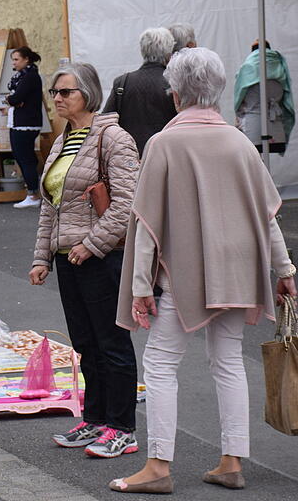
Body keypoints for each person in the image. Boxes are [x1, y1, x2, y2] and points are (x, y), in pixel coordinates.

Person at [110, 47, 298, 494]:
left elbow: (146, 223)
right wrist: (285, 269)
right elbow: (266, 215)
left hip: (182, 272)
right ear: (219, 89)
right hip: (239, 269)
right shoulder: (239, 142)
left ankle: (158, 466)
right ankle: (232, 461)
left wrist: (141, 286)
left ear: (175, 93)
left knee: (160, 363)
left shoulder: (164, 143)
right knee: (228, 360)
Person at [29, 62, 140, 459]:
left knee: (112, 343)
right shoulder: (62, 140)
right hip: (68, 259)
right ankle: (95, 418)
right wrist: (42, 257)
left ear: (88, 94)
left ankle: (122, 428)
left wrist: (92, 245)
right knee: (85, 344)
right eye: (54, 92)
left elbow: (127, 203)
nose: (57, 99)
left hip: (101, 257)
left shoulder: (113, 137)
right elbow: (50, 207)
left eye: (66, 92)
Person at [102, 27, 177, 155]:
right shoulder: (175, 83)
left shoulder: (123, 82)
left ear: (142, 50)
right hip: (165, 155)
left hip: (129, 156)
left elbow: (106, 122)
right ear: (169, 52)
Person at [234, 39, 293, 155]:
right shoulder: (280, 67)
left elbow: (239, 102)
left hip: (252, 127)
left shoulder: (247, 68)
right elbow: (286, 102)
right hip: (276, 127)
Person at [5, 46, 44, 208]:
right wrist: (13, 100)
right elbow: (15, 99)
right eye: (13, 59)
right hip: (20, 121)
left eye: (16, 59)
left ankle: (33, 194)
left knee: (25, 158)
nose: (14, 63)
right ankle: (34, 191)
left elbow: (16, 98)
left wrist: (13, 100)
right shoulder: (23, 76)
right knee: (23, 157)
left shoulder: (30, 76)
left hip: (26, 123)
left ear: (26, 59)